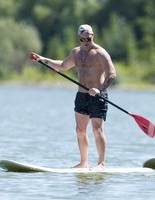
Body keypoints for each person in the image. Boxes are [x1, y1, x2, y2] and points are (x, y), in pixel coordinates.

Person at [32, 24, 116, 170]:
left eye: (88, 39)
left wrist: (99, 89)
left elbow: (112, 74)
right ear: (79, 38)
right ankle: (84, 163)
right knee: (80, 130)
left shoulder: (101, 53)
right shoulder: (76, 53)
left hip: (98, 96)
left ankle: (101, 163)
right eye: (82, 39)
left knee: (97, 129)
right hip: (81, 96)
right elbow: (63, 66)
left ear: (93, 36)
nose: (85, 42)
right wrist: (43, 59)